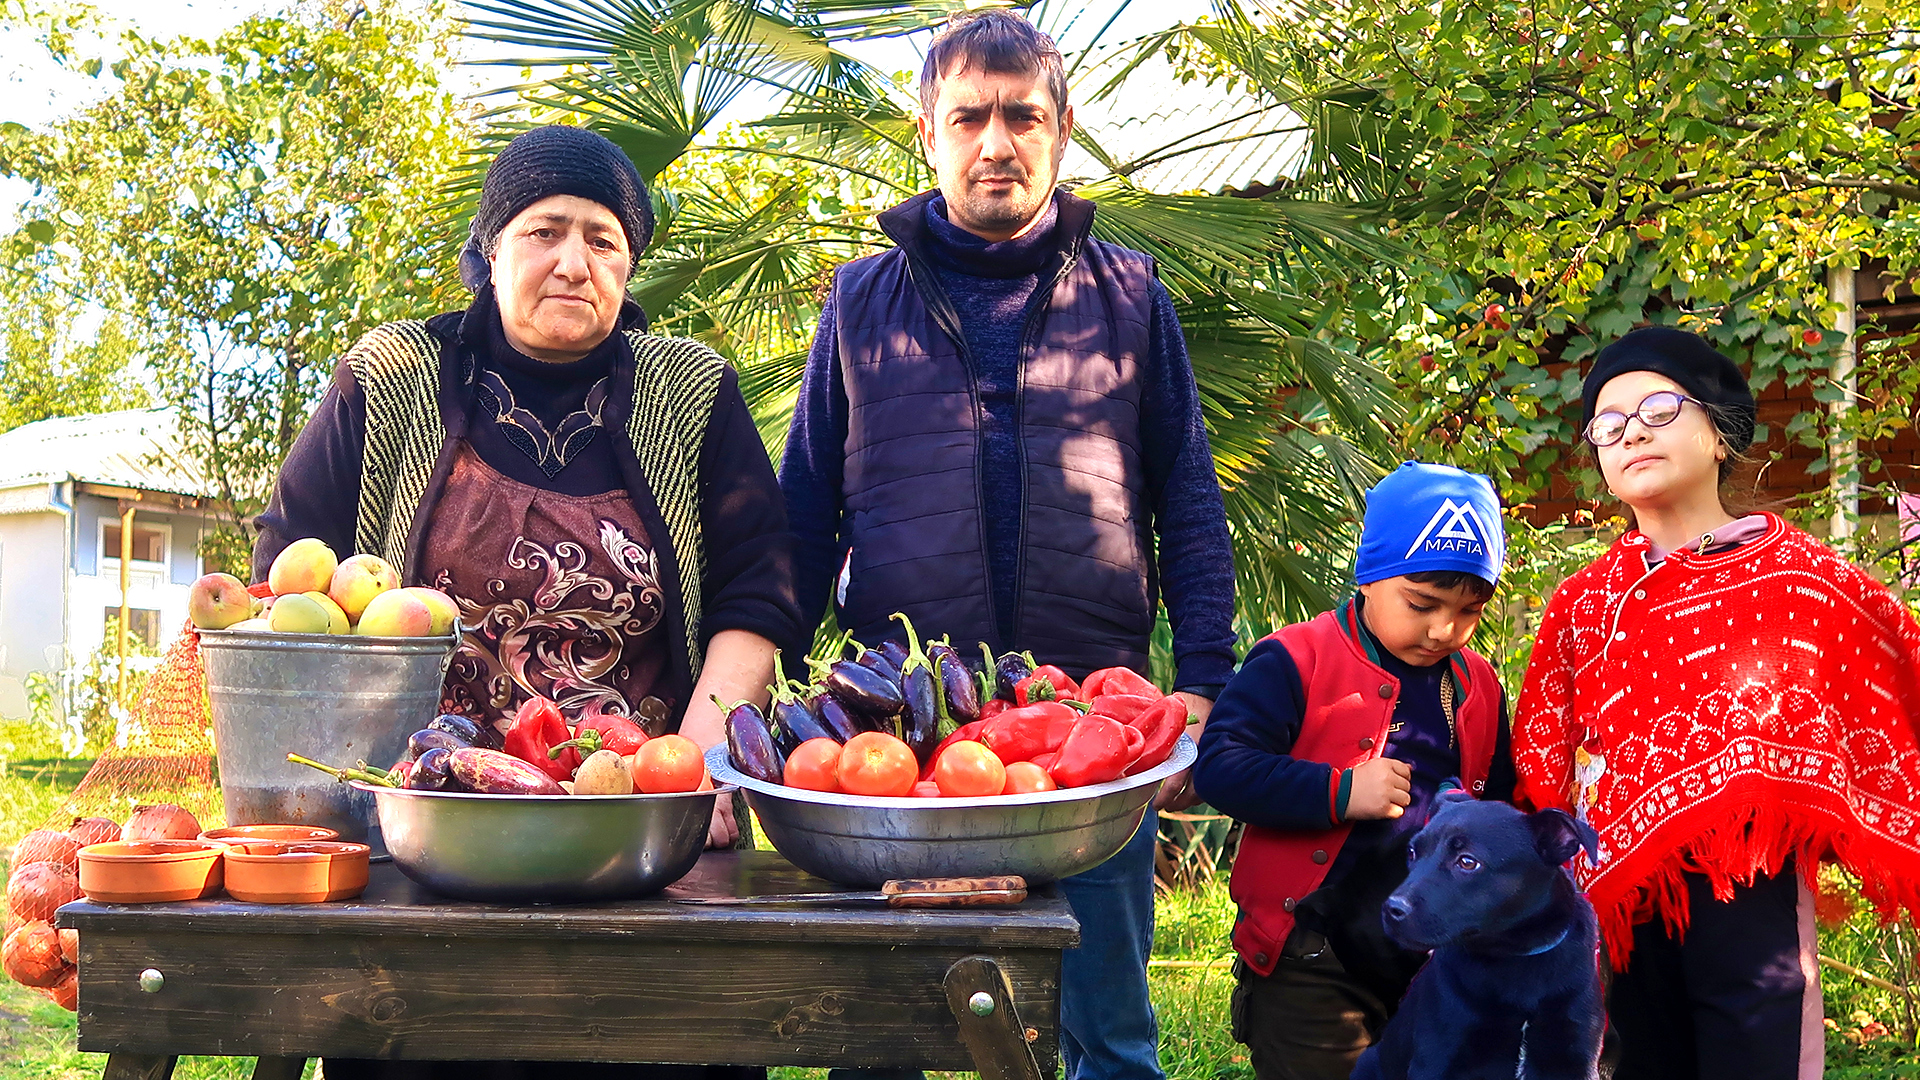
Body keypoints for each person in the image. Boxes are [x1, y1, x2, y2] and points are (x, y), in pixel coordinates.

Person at [778, 11, 1238, 1080]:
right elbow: (806, 510)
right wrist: (760, 699)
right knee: (880, 1034)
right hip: (908, 726)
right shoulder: (858, 302)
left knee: (1109, 1031)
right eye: (970, 117)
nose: (997, 142)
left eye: (1022, 116)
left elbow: (1188, 499)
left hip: (1092, 729)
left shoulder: (1131, 297)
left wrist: (1203, 683)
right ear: (927, 132)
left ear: (1062, 128)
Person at [1511, 326, 1920, 1080]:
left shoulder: (1798, 576)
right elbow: (1542, 751)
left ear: (1720, 434)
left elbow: (1897, 670)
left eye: (1659, 408)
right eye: (1608, 424)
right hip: (1621, 897)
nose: (1631, 431)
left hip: (1754, 890)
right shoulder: (1583, 604)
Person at [1193, 462, 1516, 1080]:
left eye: (1468, 610)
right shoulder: (1294, 660)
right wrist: (1339, 791)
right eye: (1422, 604)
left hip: (1433, 962)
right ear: (1370, 576)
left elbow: (1499, 805)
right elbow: (1222, 769)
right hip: (1313, 957)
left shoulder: (1477, 687)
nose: (1444, 629)